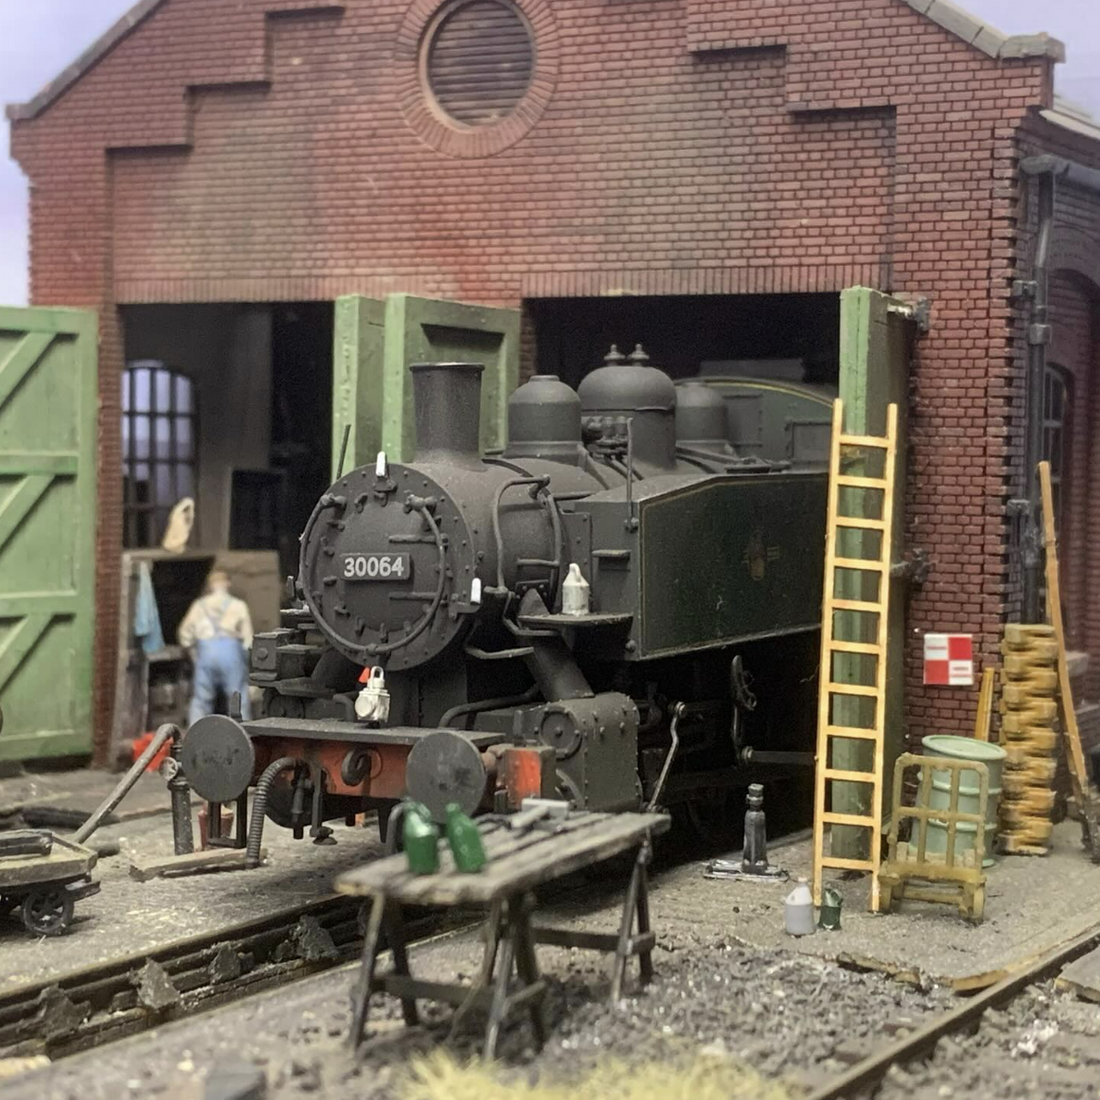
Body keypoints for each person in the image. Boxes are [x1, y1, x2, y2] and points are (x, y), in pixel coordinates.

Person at [179, 568, 254, 726]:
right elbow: (248, 640)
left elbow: (185, 634)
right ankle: (243, 732)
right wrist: (247, 660)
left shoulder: (199, 606)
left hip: (205, 654)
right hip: (231, 655)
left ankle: (196, 733)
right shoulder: (238, 606)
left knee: (201, 699)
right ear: (227, 584)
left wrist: (193, 653)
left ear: (211, 585)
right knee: (237, 698)